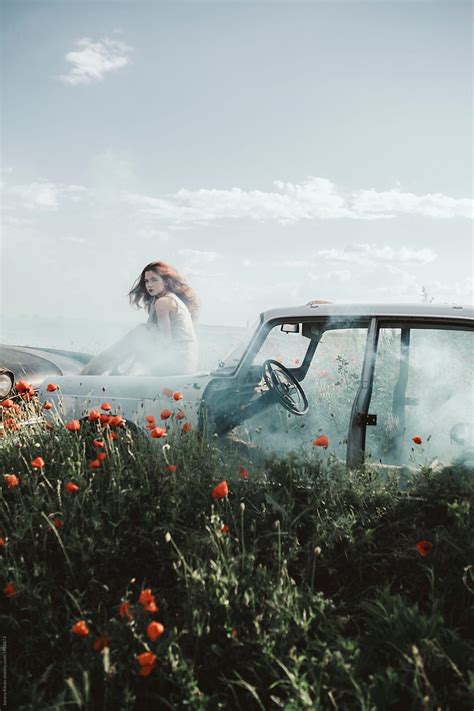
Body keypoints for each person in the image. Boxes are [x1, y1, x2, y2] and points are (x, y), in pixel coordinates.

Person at [81, 261, 199, 376]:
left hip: (177, 364)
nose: (149, 285)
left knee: (140, 333)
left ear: (166, 282)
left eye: (154, 280)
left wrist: (140, 353)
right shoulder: (170, 299)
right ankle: (117, 371)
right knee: (143, 333)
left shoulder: (163, 302)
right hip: (188, 364)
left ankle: (89, 373)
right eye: (146, 281)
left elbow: (165, 342)